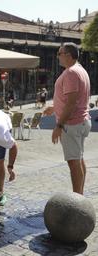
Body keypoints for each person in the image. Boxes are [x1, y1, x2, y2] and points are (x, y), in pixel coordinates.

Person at [43, 42, 91, 195]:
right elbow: (73, 99)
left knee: (73, 162)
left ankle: (77, 201)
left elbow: (71, 103)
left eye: (59, 53)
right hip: (81, 121)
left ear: (68, 55)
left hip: (72, 124)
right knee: (78, 159)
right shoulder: (80, 70)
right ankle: (80, 196)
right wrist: (55, 108)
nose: (57, 56)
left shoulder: (71, 72)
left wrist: (58, 125)